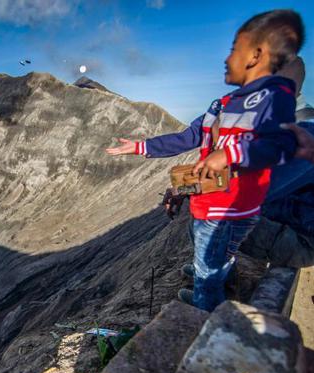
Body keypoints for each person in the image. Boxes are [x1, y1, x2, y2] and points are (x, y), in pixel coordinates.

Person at [106, 10, 304, 312]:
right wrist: (140, 147)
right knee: (210, 235)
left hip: (262, 221)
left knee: (214, 244)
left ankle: (205, 307)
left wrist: (209, 171)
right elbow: (189, 137)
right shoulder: (226, 107)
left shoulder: (285, 121)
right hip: (236, 208)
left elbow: (263, 169)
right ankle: (212, 273)